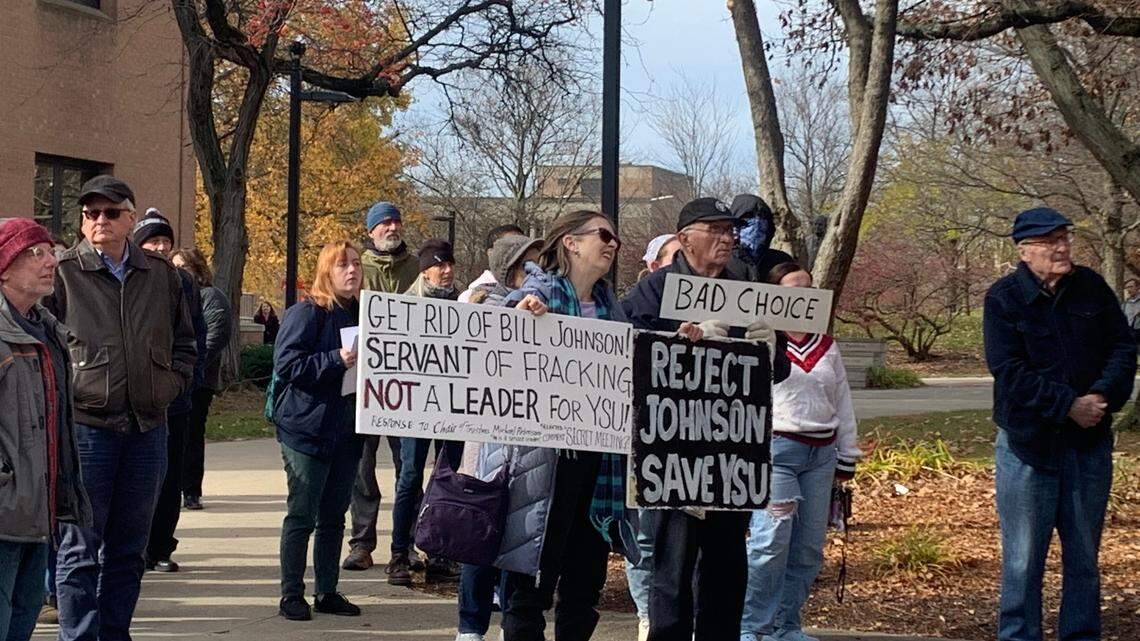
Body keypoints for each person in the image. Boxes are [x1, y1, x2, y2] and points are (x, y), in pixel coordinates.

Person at [621, 197, 790, 641]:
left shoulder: (747, 284)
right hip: (674, 451)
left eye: (730, 230)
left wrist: (770, 348)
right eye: (714, 229)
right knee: (672, 574)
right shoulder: (655, 290)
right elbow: (623, 355)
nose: (727, 237)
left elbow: (780, 370)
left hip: (731, 453)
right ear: (684, 240)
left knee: (727, 571)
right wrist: (677, 344)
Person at [47, 175, 197, 641]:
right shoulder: (63, 273)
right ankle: (80, 635)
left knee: (130, 550)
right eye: (91, 213)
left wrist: (169, 385)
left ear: (131, 218)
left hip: (147, 429)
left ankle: (115, 633)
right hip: (86, 430)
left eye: (111, 212)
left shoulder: (162, 276)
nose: (99, 221)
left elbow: (186, 345)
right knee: (79, 549)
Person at [490, 210, 645, 641]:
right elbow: (494, 341)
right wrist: (519, 313)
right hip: (545, 469)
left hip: (599, 467)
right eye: (604, 235)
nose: (613, 243)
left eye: (616, 236)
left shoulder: (613, 305)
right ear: (571, 243)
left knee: (583, 583)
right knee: (532, 583)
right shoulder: (539, 291)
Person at [983, 207, 1136, 641]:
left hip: (1087, 446)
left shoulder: (1091, 288)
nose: (1062, 246)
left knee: (1084, 557)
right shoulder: (1004, 298)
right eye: (1050, 240)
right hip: (1028, 448)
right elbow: (1008, 370)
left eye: (1064, 237)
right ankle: (1018, 636)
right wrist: (1067, 404)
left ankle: (1081, 635)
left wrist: (1101, 397)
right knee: (1022, 560)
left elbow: (1123, 349)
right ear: (1024, 250)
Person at [741, 262, 861, 641]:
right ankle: (751, 627)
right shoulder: (763, 339)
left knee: (808, 548)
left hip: (821, 456)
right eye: (792, 289)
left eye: (808, 288)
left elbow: (842, 400)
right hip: (776, 450)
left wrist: (848, 454)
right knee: (769, 543)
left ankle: (786, 625)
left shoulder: (827, 344)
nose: (801, 296)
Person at [0, 219, 91, 641]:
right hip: (5, 508)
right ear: (3, 266)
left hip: (39, 509)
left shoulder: (46, 329)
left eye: (50, 251)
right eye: (35, 253)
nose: (51, 261)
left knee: (22, 619)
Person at [453, 234, 542, 641]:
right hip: (486, 447)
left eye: (542, 264)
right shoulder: (480, 302)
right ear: (509, 269)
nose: (537, 274)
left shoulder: (548, 311)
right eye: (528, 266)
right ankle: (470, 628)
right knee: (479, 538)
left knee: (517, 542)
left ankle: (511, 623)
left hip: (529, 452)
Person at [272, 241, 366, 621]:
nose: (352, 271)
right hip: (307, 430)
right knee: (302, 514)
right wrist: (335, 360)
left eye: (357, 264)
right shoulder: (308, 312)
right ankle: (291, 594)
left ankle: (327, 590)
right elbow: (287, 364)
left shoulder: (368, 314)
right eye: (342, 265)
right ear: (327, 271)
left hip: (347, 431)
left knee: (334, 516)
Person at [342, 201, 421, 574]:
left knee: (410, 467)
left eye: (395, 221)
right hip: (365, 384)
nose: (392, 227)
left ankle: (409, 544)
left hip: (408, 385)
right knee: (362, 465)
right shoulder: (358, 268)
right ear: (371, 231)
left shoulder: (419, 267)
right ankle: (361, 543)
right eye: (384, 223)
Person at [386, 239, 464, 586]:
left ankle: (441, 553)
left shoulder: (466, 305)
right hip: (416, 407)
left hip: (455, 406)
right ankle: (400, 553)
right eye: (439, 265)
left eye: (449, 264)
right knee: (409, 478)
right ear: (425, 270)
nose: (446, 271)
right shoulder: (406, 306)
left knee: (449, 479)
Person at [133, 210, 207, 574]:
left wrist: (183, 380)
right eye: (152, 241)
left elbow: (194, 338)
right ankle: (136, 545)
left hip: (174, 401)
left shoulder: (183, 282)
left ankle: (161, 545)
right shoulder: (127, 278)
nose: (160, 247)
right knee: (138, 479)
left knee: (169, 475)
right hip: (133, 401)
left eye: (165, 241)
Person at [171, 248, 233, 512]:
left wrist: (189, 366)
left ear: (197, 269)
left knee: (192, 435)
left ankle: (191, 490)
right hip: (171, 379)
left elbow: (215, 337)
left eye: (184, 266)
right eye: (174, 266)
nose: (179, 271)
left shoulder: (211, 297)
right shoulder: (171, 296)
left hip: (199, 380)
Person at [729, 194, 794, 283]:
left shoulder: (781, 261)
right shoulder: (722, 260)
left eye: (762, 216)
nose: (757, 222)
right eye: (748, 217)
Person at [458, 223, 525, 303]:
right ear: (491, 253)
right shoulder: (468, 298)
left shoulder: (536, 288)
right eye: (509, 247)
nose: (518, 253)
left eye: (522, 247)